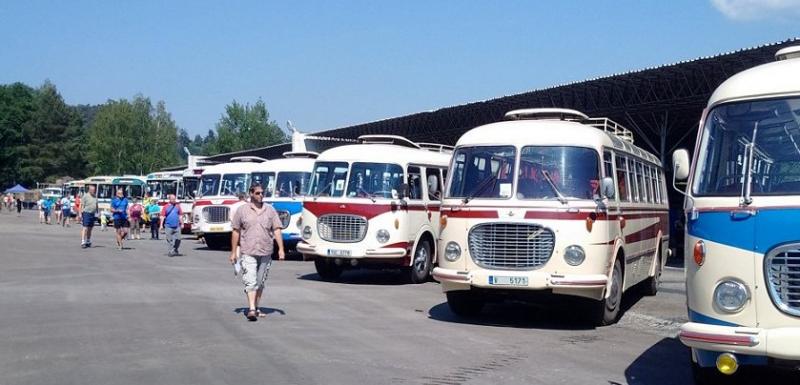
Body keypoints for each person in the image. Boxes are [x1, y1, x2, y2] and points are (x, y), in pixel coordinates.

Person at [229, 183, 285, 322]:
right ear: (251, 194)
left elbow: (277, 229)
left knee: (260, 282)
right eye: (258, 193)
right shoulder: (242, 210)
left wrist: (281, 249)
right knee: (251, 281)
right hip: (248, 250)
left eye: (262, 193)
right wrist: (233, 252)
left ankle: (256, 306)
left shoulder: (270, 210)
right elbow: (236, 231)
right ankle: (252, 309)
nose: (261, 195)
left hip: (266, 251)